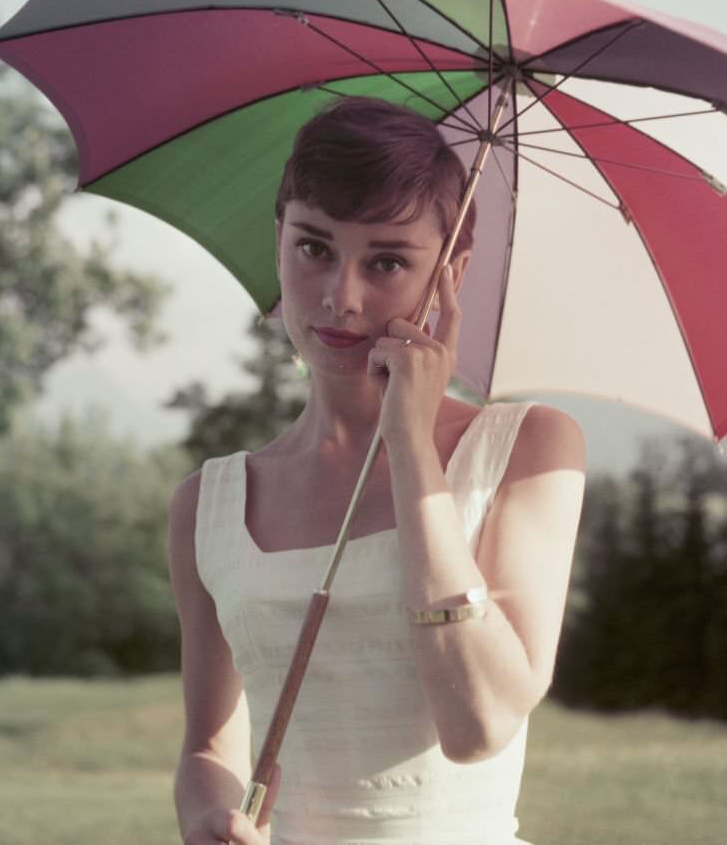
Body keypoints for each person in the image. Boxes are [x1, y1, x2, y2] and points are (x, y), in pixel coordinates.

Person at [169, 96, 586, 844]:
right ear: (278, 240)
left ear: (451, 274)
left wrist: (411, 447)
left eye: (388, 260)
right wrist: (207, 814)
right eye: (314, 247)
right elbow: (208, 746)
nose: (341, 296)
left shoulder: (529, 451)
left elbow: (478, 725)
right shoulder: (208, 503)